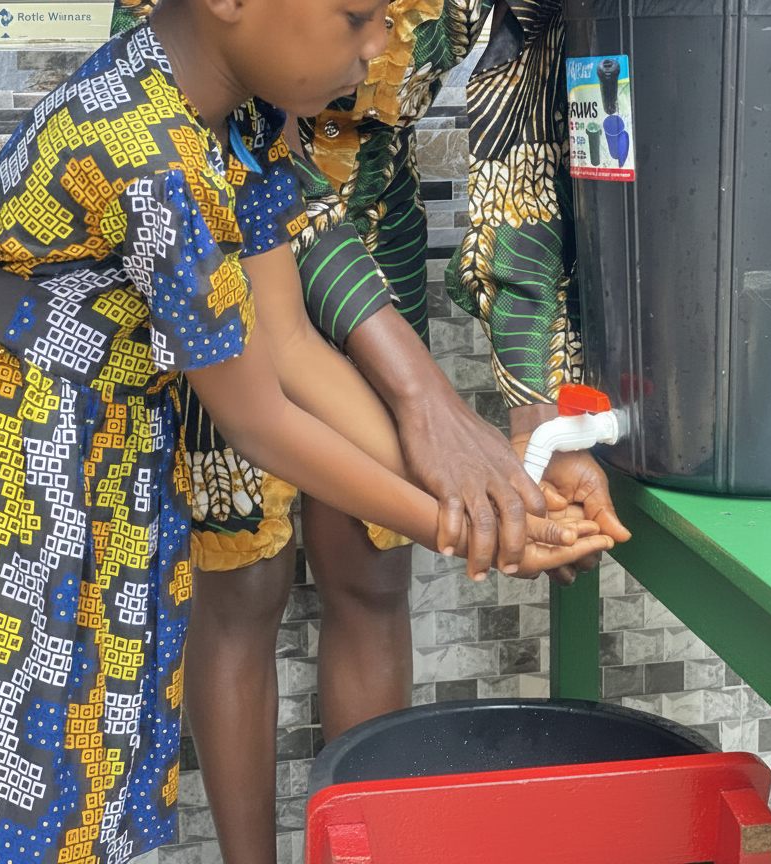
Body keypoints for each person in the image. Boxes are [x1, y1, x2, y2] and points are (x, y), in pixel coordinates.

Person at [0, 1, 614, 859]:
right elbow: (258, 419)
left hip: (86, 436)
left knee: (67, 739)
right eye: (358, 17)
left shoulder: (238, 114)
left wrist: (489, 496)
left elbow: (289, 343)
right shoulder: (154, 160)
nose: (381, 45)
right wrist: (460, 528)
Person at [108, 2, 633, 862]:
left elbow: (526, 142)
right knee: (239, 584)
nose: (383, 41)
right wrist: (436, 433)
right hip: (217, 244)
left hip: (369, 235)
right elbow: (249, 177)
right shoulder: (164, 127)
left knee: (373, 569)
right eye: (361, 18)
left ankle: (356, 847)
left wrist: (533, 428)